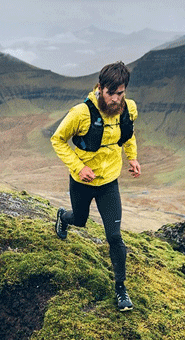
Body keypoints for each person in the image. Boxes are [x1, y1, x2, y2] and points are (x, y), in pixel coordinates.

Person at [51, 61, 141, 312]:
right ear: (100, 88)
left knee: (114, 236)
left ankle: (121, 289)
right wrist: (79, 167)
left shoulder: (128, 109)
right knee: (80, 219)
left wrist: (132, 157)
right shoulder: (81, 113)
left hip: (109, 182)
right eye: (110, 93)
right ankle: (63, 217)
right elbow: (57, 140)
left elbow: (129, 133)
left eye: (120, 93)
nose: (115, 99)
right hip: (82, 181)